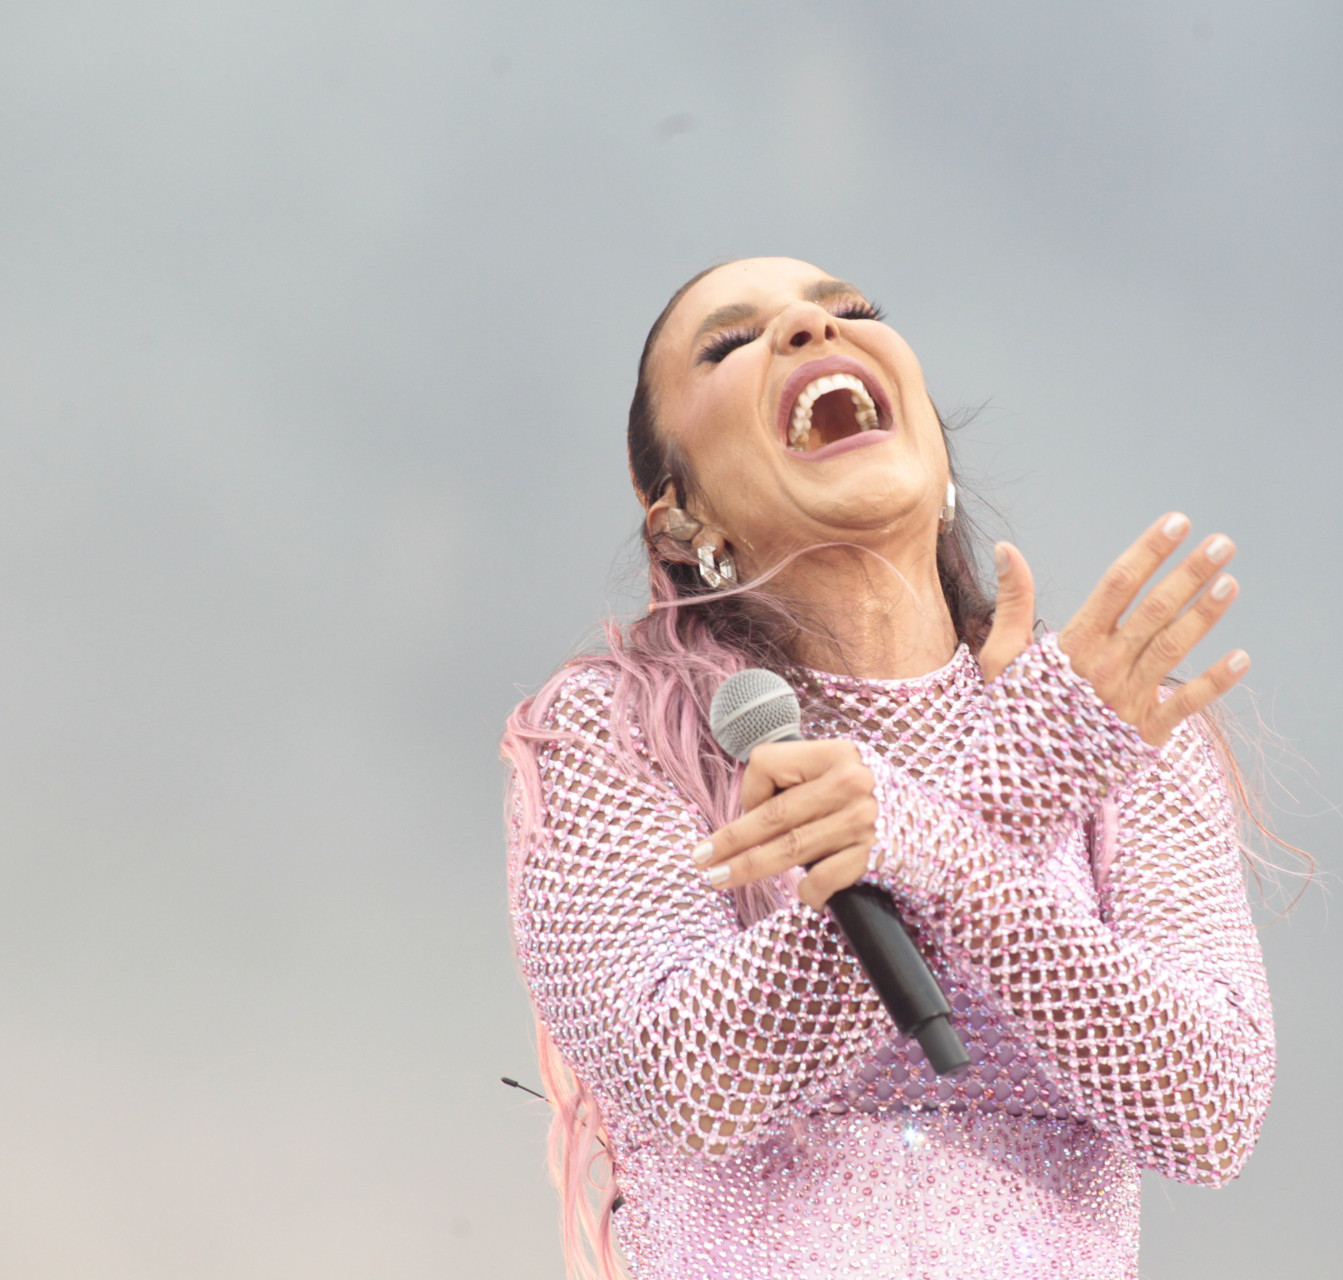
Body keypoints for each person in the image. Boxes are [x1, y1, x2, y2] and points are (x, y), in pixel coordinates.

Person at [502, 257, 1277, 1279]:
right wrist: (1015, 781)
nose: (811, 331)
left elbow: (1208, 1108)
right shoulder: (613, 727)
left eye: (851, 312)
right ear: (678, 515)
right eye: (732, 342)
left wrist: (962, 830)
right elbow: (688, 1075)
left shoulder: (1103, 711)